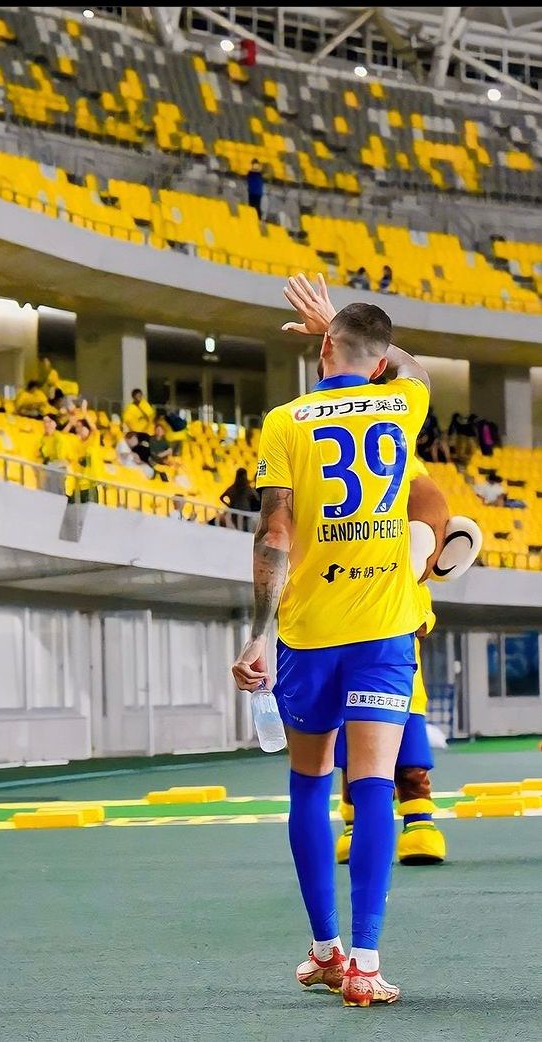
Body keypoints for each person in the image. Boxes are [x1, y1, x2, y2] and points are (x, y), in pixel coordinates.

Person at [232, 272, 431, 1007]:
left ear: (321, 357)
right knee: (373, 786)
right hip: (383, 628)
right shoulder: (405, 401)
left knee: (309, 786)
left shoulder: (285, 422)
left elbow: (274, 531)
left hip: (309, 632)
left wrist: (259, 635)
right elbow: (408, 367)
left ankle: (324, 951)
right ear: (375, 360)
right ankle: (368, 966)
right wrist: (337, 327)